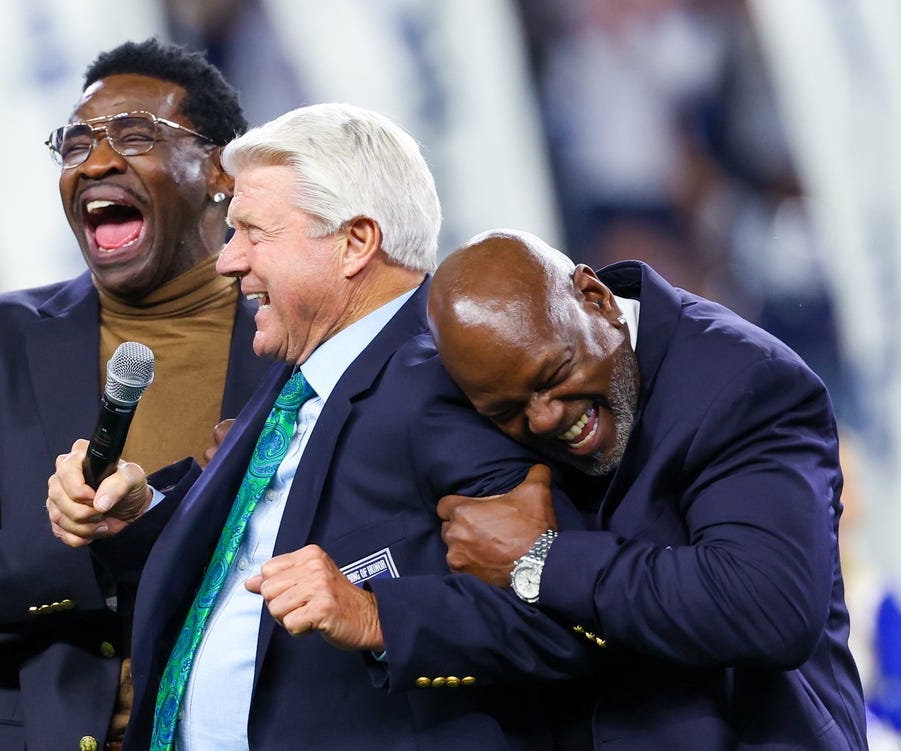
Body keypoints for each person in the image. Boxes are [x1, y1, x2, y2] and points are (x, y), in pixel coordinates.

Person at [47, 103, 600, 751]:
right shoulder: (293, 381)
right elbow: (249, 549)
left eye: (253, 233)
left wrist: (372, 615)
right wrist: (141, 509)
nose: (227, 261)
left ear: (354, 243)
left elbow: (560, 619)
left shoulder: (448, 382)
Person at [0, 38, 268, 751]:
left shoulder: (298, 351)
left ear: (219, 172)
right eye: (75, 143)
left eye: (137, 136)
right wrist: (89, 555)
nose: (96, 162)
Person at [426, 228, 869, 750]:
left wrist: (542, 561)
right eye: (509, 410)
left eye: (556, 372)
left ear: (597, 300)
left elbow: (769, 606)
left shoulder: (746, 380)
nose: (543, 418)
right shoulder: (497, 411)